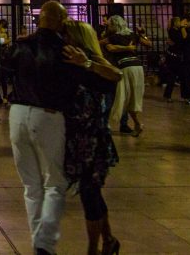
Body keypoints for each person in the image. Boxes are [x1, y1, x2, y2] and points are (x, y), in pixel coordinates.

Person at [2, 1, 93, 255]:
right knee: (55, 182)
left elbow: (6, 66)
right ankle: (44, 242)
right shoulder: (65, 50)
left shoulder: (22, 45)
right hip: (49, 114)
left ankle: (38, 240)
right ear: (61, 21)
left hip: (18, 113)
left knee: (31, 185)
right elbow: (76, 86)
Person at [62, 21, 124, 255]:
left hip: (93, 139)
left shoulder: (91, 63)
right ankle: (108, 240)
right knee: (92, 191)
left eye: (65, 33)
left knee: (90, 193)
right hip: (76, 138)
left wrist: (86, 63)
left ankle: (93, 249)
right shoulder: (69, 60)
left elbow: (116, 75)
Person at [101, 15, 148, 136]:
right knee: (131, 97)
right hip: (137, 67)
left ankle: (108, 124)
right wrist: (140, 36)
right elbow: (148, 43)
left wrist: (123, 47)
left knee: (122, 97)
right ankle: (134, 124)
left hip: (125, 67)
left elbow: (108, 47)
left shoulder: (113, 37)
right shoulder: (132, 35)